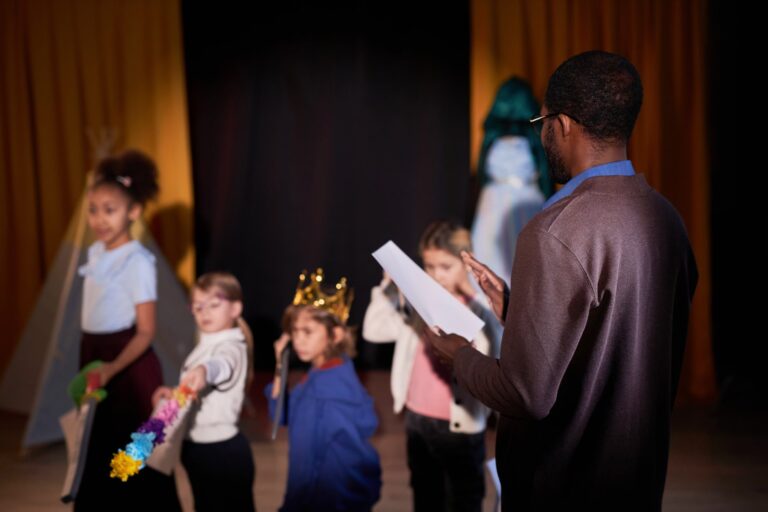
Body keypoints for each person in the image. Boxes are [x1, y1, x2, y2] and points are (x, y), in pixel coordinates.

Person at [424, 51, 698, 510]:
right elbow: (619, 338)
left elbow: (524, 395)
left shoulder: (554, 230)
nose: (542, 132)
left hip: (563, 485)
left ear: (563, 124)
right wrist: (518, 310)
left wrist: (461, 357)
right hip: (639, 483)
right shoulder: (669, 221)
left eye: (542, 121)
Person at [363, 221, 501, 512]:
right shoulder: (418, 305)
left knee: (463, 498)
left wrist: (473, 294)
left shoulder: (481, 308)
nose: (436, 275)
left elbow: (492, 354)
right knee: (425, 496)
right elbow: (373, 330)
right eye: (429, 266)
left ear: (466, 262)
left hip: (460, 427)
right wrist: (387, 286)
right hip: (417, 419)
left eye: (445, 266)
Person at [76, 150, 180, 510]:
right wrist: (95, 367)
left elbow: (145, 331)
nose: (100, 219)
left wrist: (112, 368)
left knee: (135, 456)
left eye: (110, 209)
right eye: (94, 209)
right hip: (95, 360)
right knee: (97, 452)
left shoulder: (137, 261)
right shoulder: (95, 254)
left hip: (129, 369)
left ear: (133, 212)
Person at [266, 269, 381, 512]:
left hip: (322, 500)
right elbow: (281, 415)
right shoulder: (324, 373)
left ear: (336, 334)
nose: (298, 341)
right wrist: (280, 364)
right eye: (295, 332)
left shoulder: (329, 391)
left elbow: (321, 464)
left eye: (307, 332)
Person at [152, 272, 256, 511]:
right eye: (198, 306)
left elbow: (222, 365)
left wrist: (204, 370)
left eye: (214, 305)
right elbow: (193, 392)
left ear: (235, 308)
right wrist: (174, 392)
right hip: (197, 448)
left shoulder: (231, 346)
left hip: (221, 454)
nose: (204, 312)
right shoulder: (207, 342)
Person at [471, 77, 551, 282]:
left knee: (525, 262)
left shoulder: (531, 136)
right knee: (491, 258)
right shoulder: (494, 136)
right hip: (497, 205)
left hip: (523, 204)